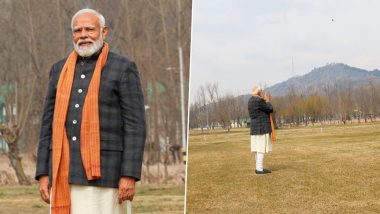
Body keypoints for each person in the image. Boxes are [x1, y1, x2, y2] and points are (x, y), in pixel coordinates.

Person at [35, 8, 146, 213]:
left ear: (104, 32)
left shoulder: (123, 68)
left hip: (107, 175)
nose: (83, 35)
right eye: (77, 31)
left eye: (89, 29)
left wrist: (129, 174)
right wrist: (43, 172)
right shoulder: (58, 70)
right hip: (63, 175)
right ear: (72, 35)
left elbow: (135, 126)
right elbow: (47, 126)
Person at [248, 85, 273, 174]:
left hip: (254, 128)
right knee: (261, 149)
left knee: (257, 149)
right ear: (258, 92)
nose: (262, 93)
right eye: (261, 91)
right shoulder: (259, 100)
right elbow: (270, 109)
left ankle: (258, 167)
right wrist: (268, 100)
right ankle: (259, 169)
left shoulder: (250, 100)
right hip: (261, 128)